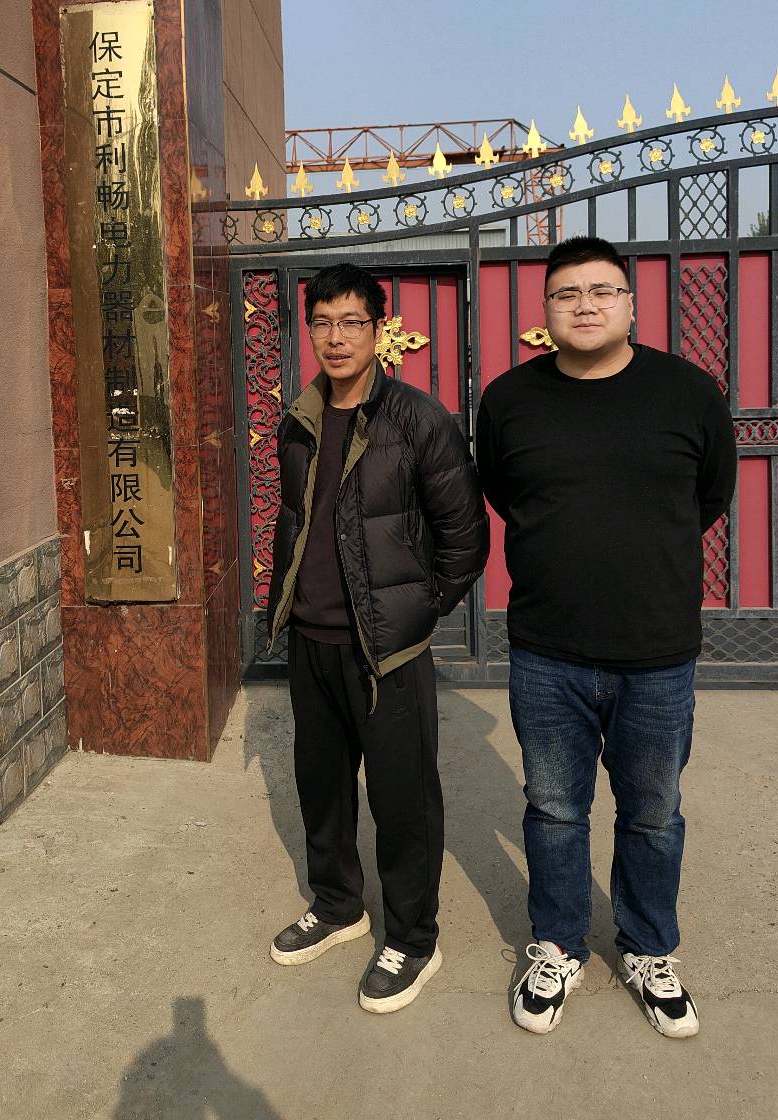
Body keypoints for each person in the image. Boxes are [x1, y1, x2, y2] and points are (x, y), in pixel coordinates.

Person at [476, 236, 736, 1039]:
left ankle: (649, 948)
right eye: (566, 294)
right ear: (545, 310)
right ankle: (558, 945)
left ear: (630, 303)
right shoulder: (510, 399)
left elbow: (709, 496)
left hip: (656, 653)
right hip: (546, 651)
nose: (584, 305)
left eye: (601, 291)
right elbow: (506, 494)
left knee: (653, 813)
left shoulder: (688, 393)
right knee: (554, 809)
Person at [267, 262, 488, 1014]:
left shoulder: (417, 419)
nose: (336, 338)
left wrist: (419, 613)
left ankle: (413, 938)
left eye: (351, 323)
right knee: (321, 787)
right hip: (312, 641)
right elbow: (294, 521)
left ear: (378, 330)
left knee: (403, 801)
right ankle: (336, 905)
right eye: (323, 323)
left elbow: (465, 534)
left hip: (388, 651)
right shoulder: (298, 419)